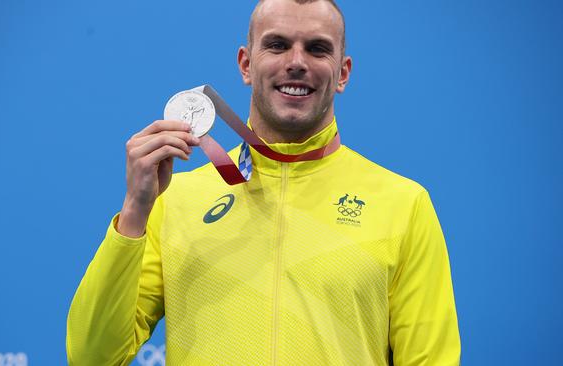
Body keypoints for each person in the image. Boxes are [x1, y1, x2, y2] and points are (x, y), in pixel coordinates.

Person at [66, 0, 461, 364]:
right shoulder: (173, 201)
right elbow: (92, 357)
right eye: (277, 45)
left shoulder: (403, 205)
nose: (296, 62)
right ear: (246, 64)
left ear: (343, 73)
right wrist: (135, 210)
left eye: (317, 49)